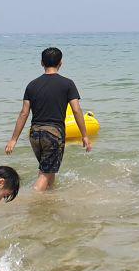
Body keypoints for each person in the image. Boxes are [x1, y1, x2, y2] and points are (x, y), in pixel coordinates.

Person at [5, 47, 90, 192]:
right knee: (46, 173)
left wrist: (14, 139)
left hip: (35, 134)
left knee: (47, 169)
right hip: (53, 134)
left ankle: (49, 200)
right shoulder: (67, 84)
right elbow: (76, 110)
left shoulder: (32, 85)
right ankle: (33, 200)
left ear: (41, 63)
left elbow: (24, 113)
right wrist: (84, 135)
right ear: (61, 63)